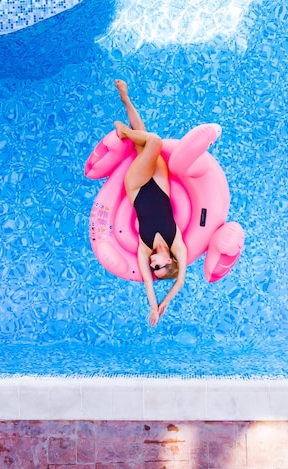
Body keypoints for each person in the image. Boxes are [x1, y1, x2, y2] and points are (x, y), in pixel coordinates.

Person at [113, 79, 188, 327]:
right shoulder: (176, 243)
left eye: (153, 269)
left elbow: (147, 283)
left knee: (152, 141)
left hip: (136, 186)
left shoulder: (144, 249)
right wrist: (166, 302)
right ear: (170, 262)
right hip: (158, 181)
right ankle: (126, 100)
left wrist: (154, 308)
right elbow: (181, 281)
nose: (152, 266)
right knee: (143, 143)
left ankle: (125, 131)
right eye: (159, 268)